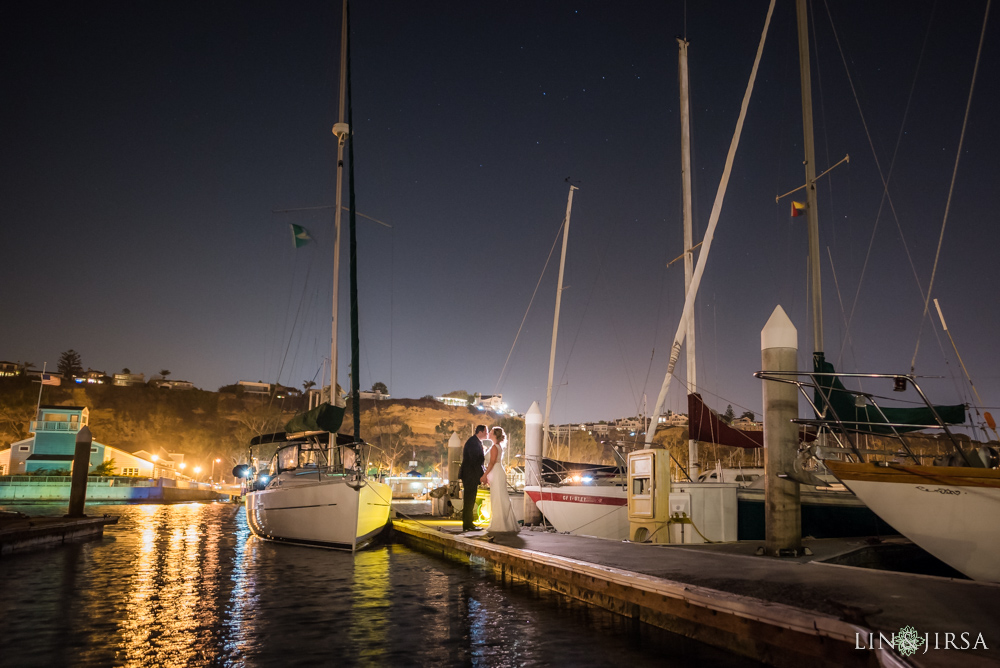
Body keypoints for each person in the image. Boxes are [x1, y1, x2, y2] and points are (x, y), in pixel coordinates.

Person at [481, 426, 519, 534]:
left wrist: (485, 475)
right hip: (497, 472)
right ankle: (504, 523)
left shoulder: (494, 447)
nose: (489, 433)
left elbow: (492, 462)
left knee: (497, 497)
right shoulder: (497, 446)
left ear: (494, 435)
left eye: (491, 432)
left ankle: (500, 524)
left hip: (496, 471)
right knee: (499, 497)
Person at [459, 424, 487, 532]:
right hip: (470, 475)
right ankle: (468, 524)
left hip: (470, 475)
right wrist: (481, 475)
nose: (487, 434)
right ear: (480, 431)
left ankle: (468, 523)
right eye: (485, 431)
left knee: (470, 499)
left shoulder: (475, 442)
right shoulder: (473, 443)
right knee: (469, 499)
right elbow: (475, 460)